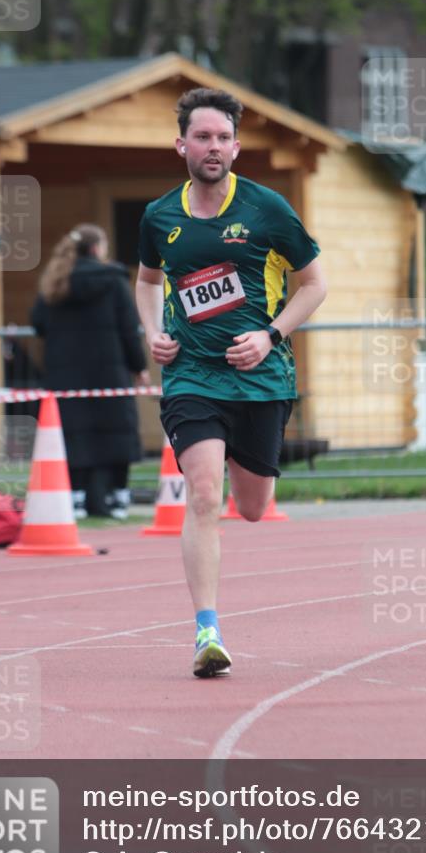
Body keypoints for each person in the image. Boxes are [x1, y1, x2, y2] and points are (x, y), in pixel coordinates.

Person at [136, 87, 327, 677]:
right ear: (182, 145)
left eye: (222, 138)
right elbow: (145, 282)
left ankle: (256, 487)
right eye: (202, 137)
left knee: (251, 507)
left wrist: (269, 335)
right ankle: (207, 631)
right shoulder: (159, 216)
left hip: (261, 379)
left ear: (236, 147)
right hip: (192, 375)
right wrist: (152, 332)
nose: (212, 147)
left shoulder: (268, 209)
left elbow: (314, 285)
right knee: (201, 495)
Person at [31, 224, 149, 518]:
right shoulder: (114, 280)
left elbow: (38, 323)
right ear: (97, 249)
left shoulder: (55, 282)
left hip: (65, 373)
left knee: (74, 436)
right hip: (110, 372)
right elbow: (128, 330)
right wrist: (139, 366)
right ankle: (117, 499)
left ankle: (76, 500)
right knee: (116, 433)